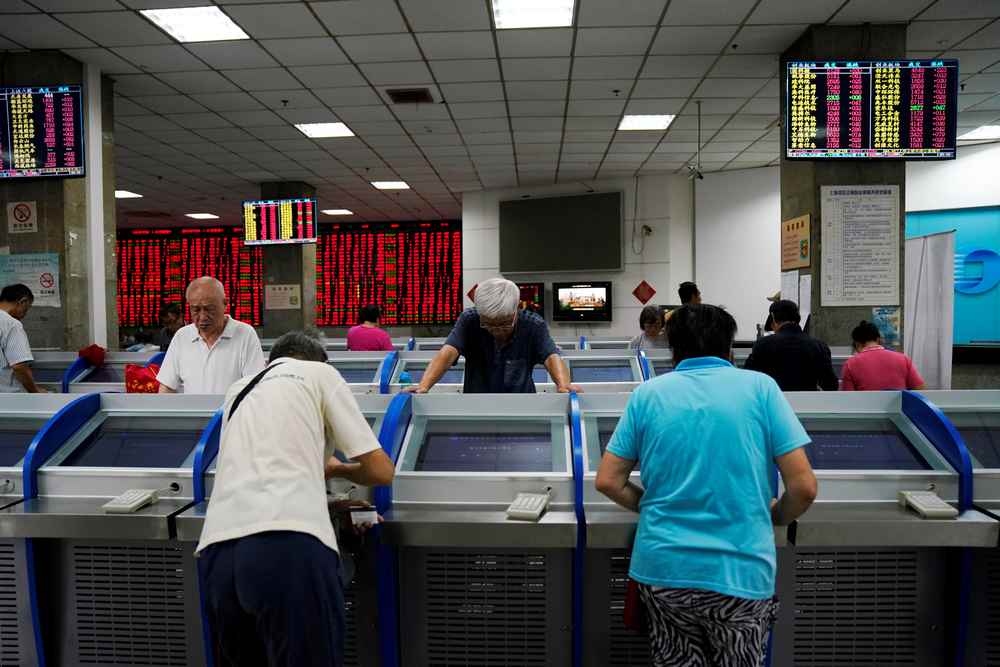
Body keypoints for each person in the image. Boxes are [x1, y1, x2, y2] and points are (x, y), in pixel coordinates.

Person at [596, 304, 817, 667]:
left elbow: (608, 480)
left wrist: (652, 506)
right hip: (740, 572)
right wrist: (776, 516)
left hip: (664, 570)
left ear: (673, 349)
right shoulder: (761, 389)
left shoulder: (648, 395)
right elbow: (804, 487)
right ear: (728, 348)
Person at [196, 330, 394, 667]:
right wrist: (339, 470)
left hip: (219, 555)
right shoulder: (320, 374)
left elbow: (265, 469)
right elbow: (380, 470)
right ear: (318, 360)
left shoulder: (239, 389)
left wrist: (330, 502)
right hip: (287, 549)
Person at [406, 277, 578, 394]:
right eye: (488, 324)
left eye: (504, 324)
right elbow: (448, 352)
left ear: (518, 307)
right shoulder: (469, 320)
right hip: (477, 404)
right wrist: (423, 387)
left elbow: (551, 356)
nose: (496, 330)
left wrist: (563, 386)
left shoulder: (533, 325)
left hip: (522, 406)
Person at [158, 277, 265, 394]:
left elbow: (256, 388)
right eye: (196, 310)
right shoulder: (182, 337)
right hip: (192, 412)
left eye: (209, 309)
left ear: (225, 304)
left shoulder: (245, 334)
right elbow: (167, 387)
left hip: (232, 412)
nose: (203, 317)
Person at [744, 300, 839, 391]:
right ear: (797, 318)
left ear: (773, 318)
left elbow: (748, 378)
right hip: (809, 405)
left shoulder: (763, 344)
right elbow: (831, 385)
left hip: (775, 404)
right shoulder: (819, 346)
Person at [841, 320, 926, 391]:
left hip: (867, 410)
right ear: (879, 339)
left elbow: (848, 399)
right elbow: (920, 390)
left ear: (857, 344)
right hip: (899, 410)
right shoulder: (903, 359)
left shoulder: (850, 364)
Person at [0, 284, 44, 393]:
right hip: (10, 398)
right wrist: (35, 391)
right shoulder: (11, 324)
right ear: (22, 302)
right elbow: (19, 366)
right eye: (26, 309)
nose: (24, 315)